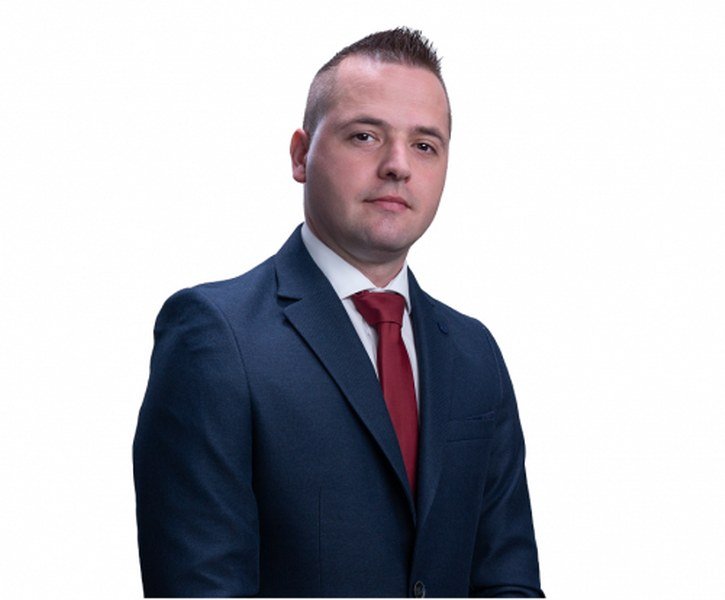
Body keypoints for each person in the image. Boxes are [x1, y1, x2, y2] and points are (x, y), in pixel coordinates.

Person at [133, 27, 543, 598]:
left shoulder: (475, 353)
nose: (398, 165)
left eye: (425, 145)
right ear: (301, 155)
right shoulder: (216, 337)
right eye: (365, 136)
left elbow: (508, 581)